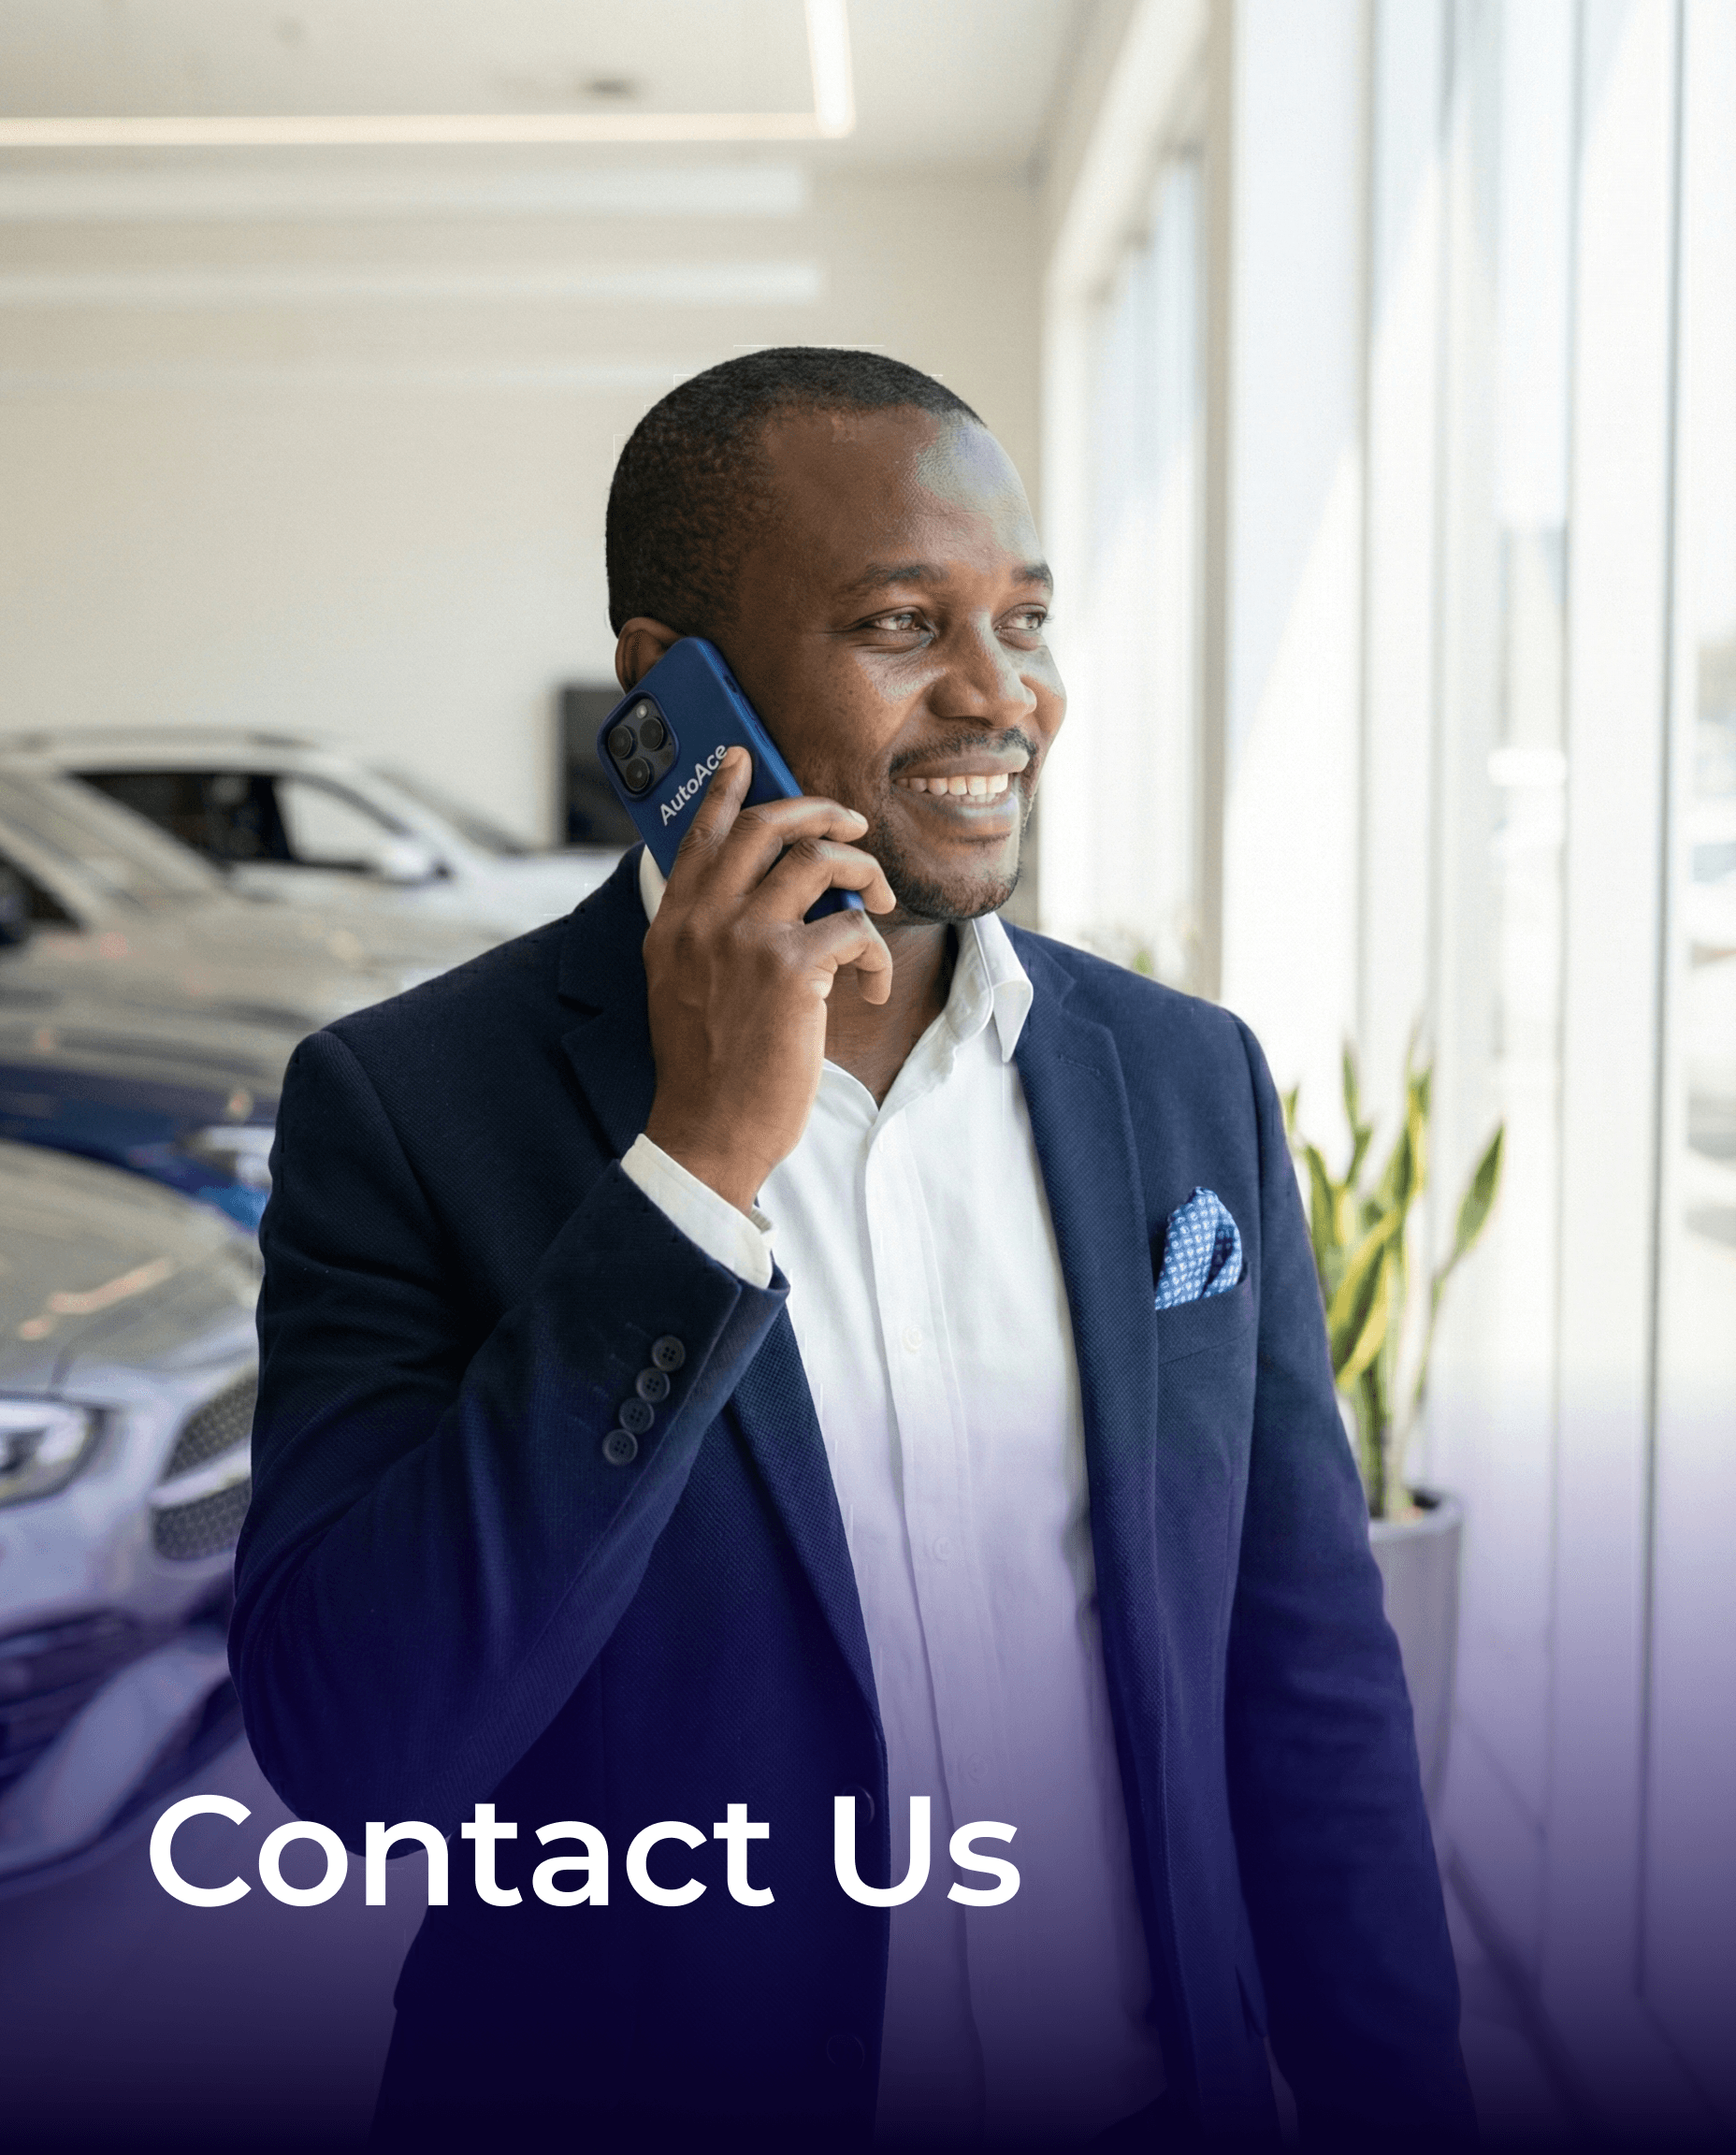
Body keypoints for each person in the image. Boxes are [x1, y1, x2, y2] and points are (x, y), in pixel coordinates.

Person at [232, 349, 1475, 2152]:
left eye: (1027, 623)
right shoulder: (411, 1107)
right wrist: (697, 1171)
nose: (1007, 700)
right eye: (905, 623)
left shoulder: (1183, 1082)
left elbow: (1306, 1688)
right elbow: (353, 1746)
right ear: (673, 689)